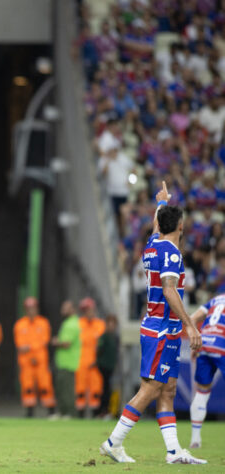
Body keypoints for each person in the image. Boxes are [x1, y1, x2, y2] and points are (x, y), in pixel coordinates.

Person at [100, 182, 206, 464]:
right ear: (181, 226)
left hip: (160, 328)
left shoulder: (152, 245)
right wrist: (191, 326)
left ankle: (173, 451)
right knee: (150, 389)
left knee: (167, 389)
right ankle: (114, 442)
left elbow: (157, 227)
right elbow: (170, 290)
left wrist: (161, 203)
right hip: (162, 329)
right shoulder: (170, 254)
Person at [188, 293, 225, 449]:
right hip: (222, 345)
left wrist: (195, 338)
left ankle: (195, 440)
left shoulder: (216, 299)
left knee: (202, 392)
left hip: (204, 344)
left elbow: (192, 318)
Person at [14, 296, 56, 417]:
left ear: (36, 309)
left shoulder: (43, 323)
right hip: (26, 361)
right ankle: (29, 412)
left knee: (45, 385)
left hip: (40, 360)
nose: (31, 311)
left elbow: (45, 340)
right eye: (28, 308)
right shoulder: (20, 324)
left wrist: (30, 348)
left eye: (33, 308)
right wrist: (31, 348)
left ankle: (51, 412)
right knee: (27, 386)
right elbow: (20, 343)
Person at [75, 297, 105, 417]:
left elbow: (102, 345)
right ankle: (80, 414)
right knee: (80, 388)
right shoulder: (78, 324)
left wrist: (98, 360)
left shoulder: (100, 324)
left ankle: (95, 414)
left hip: (95, 361)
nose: (89, 312)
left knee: (95, 388)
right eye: (86, 310)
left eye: (90, 309)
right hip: (81, 360)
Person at [51, 300, 81, 419]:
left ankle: (70, 413)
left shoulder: (72, 323)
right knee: (61, 388)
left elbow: (66, 343)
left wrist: (55, 342)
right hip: (63, 362)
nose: (62, 309)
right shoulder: (68, 322)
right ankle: (62, 412)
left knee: (67, 390)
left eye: (66, 307)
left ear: (73, 309)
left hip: (69, 362)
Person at [97, 314, 119, 419]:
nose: (111, 326)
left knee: (110, 389)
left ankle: (111, 411)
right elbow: (99, 350)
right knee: (105, 389)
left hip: (112, 367)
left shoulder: (115, 337)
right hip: (104, 366)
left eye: (113, 324)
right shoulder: (104, 336)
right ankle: (103, 410)